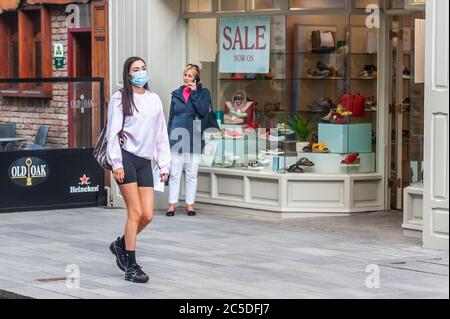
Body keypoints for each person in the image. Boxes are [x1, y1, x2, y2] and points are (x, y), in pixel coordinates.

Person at [107, 56, 170, 283]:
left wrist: (164, 164)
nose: (141, 72)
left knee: (148, 215)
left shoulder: (154, 99)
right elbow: (112, 133)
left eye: (144, 68)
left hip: (145, 161)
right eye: (136, 69)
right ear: (128, 74)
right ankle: (131, 266)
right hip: (126, 159)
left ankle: (120, 244)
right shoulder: (120, 97)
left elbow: (161, 134)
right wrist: (116, 163)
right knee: (134, 213)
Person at [166, 64, 211, 217]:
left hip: (194, 135)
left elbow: (203, 111)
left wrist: (194, 93)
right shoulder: (176, 94)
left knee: (192, 173)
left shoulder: (203, 93)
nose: (186, 78)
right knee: (175, 173)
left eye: (190, 75)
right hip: (176, 136)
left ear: (196, 79)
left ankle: (190, 204)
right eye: (185, 74)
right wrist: (167, 137)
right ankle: (172, 204)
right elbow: (171, 117)